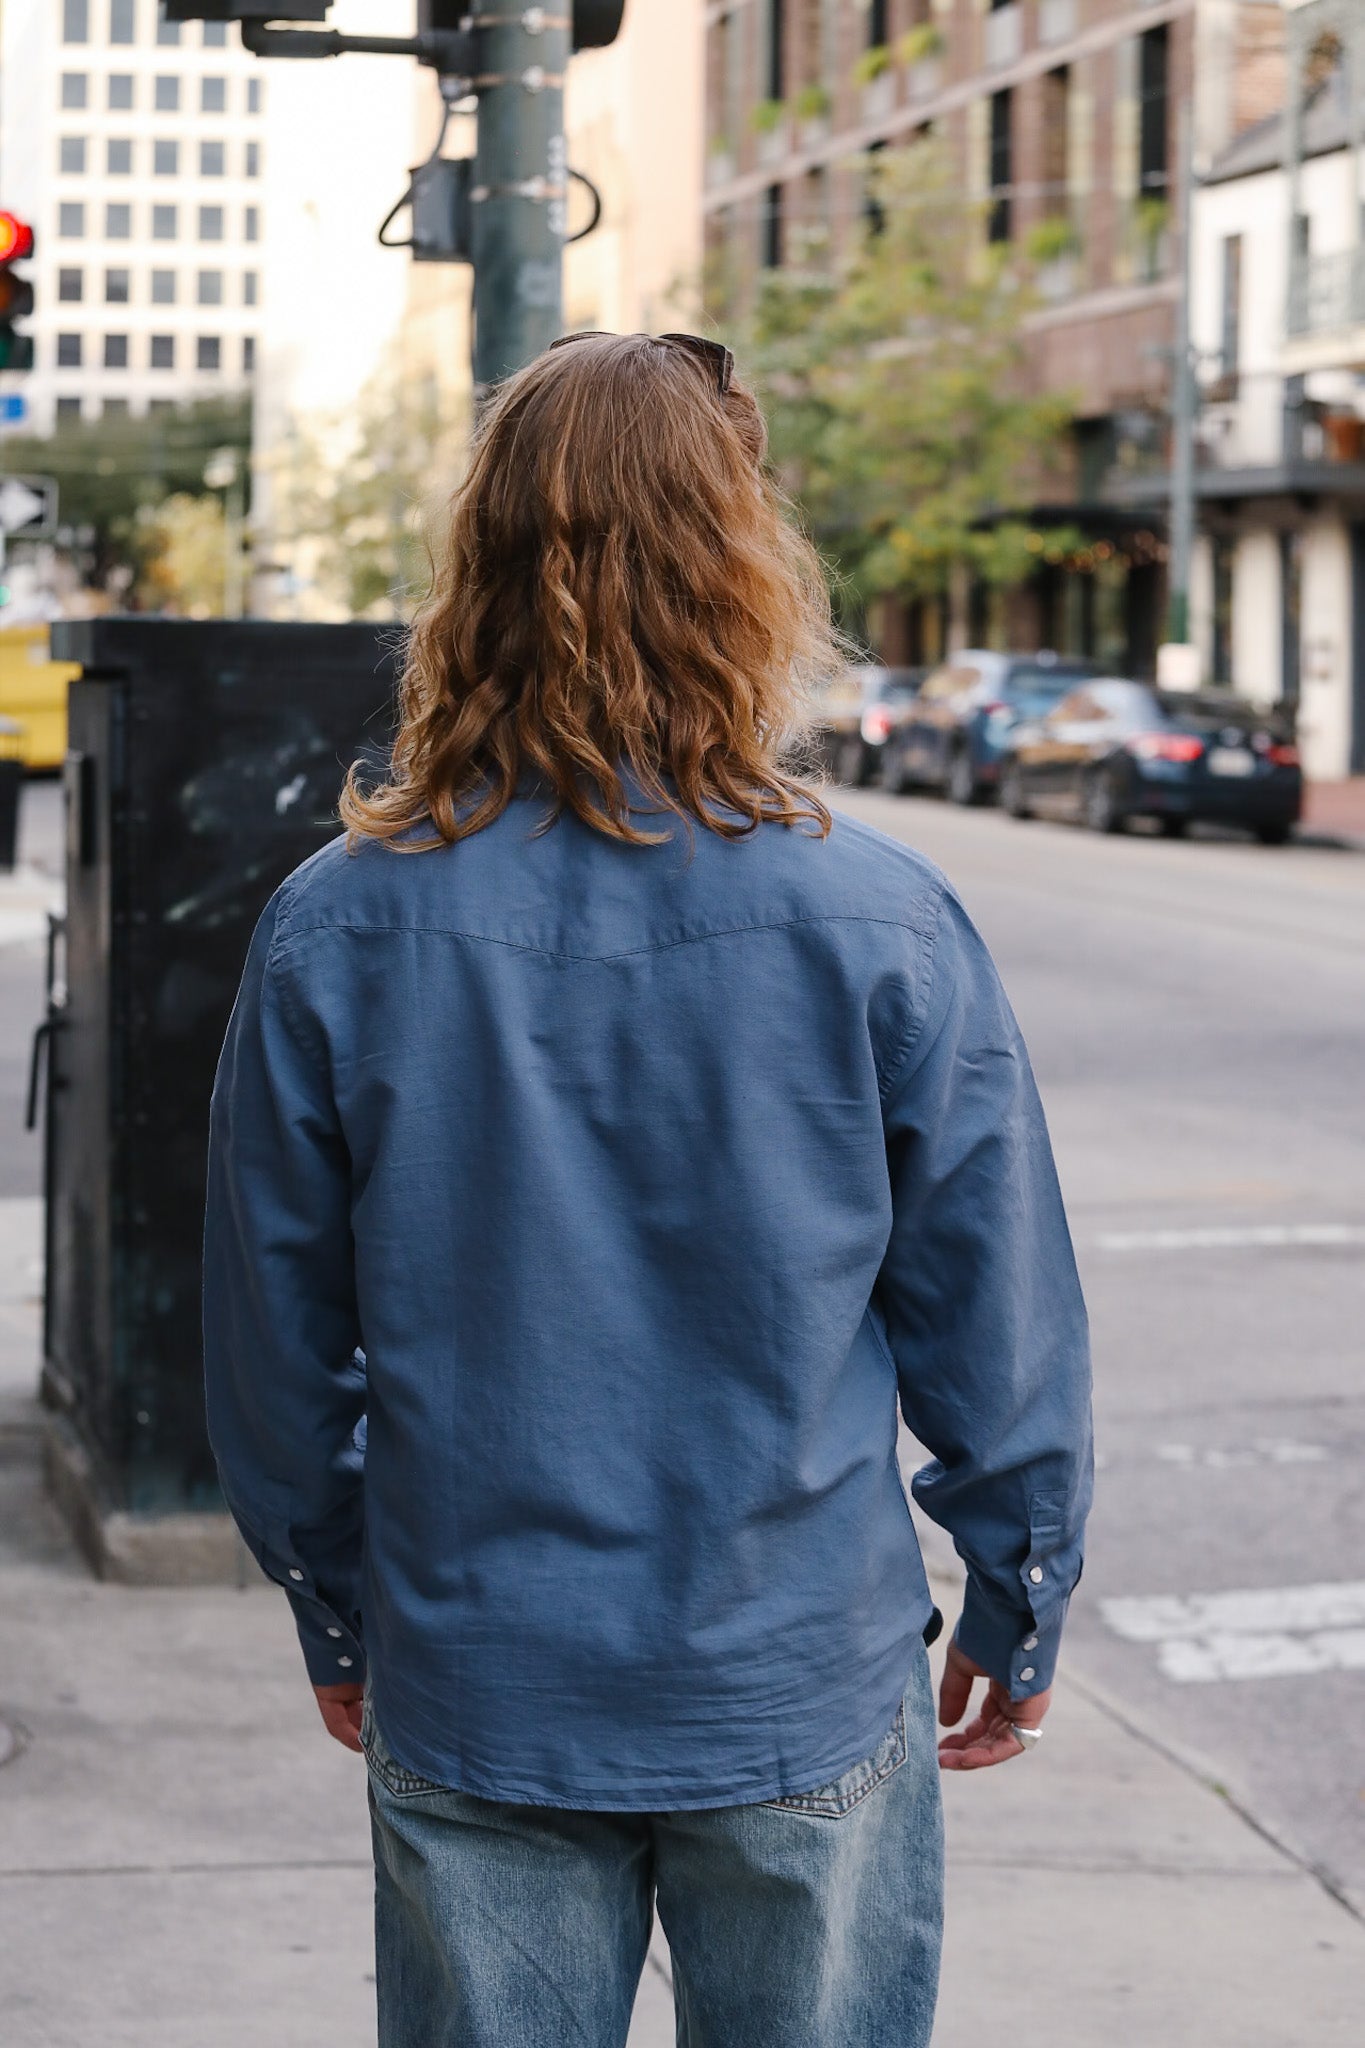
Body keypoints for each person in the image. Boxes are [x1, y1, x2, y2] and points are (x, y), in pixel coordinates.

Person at [203, 330, 1092, 2048]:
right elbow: (999, 1316)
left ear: (479, 574)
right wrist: (1018, 1588)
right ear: (745, 567)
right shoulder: (882, 923)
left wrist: (332, 1597)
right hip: (793, 1674)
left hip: (477, 1671)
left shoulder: (338, 921)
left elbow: (269, 1338)